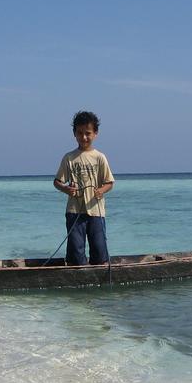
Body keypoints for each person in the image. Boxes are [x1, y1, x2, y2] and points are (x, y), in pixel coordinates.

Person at [53, 110, 115, 266]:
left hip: (96, 211)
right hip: (74, 212)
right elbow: (57, 182)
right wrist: (66, 189)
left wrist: (101, 190)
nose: (84, 137)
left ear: (95, 134)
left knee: (100, 252)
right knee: (75, 253)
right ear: (74, 133)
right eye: (79, 133)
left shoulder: (100, 157)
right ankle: (78, 272)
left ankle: (97, 274)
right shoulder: (69, 157)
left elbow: (109, 183)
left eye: (87, 133)